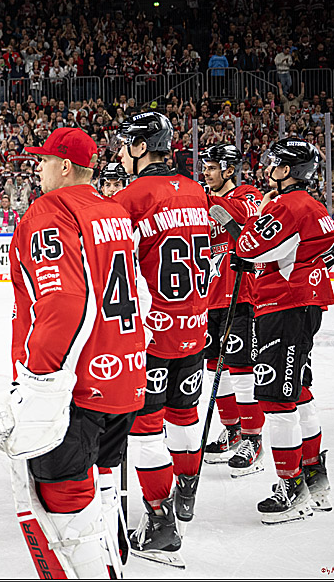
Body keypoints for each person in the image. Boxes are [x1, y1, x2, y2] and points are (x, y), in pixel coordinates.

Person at [0, 127, 147, 579]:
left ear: (66, 166)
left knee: (62, 506)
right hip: (124, 376)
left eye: (43, 161)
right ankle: (112, 559)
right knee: (101, 487)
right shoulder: (112, 210)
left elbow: (63, 302)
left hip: (73, 387)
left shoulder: (50, 209)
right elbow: (142, 295)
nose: (37, 168)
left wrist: (37, 384)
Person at [110, 111, 211, 567]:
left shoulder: (132, 197)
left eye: (126, 143)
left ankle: (160, 520)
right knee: (184, 416)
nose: (121, 151)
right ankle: (184, 496)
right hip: (195, 327)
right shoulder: (196, 190)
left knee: (146, 428)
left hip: (151, 335)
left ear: (139, 146)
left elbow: (119, 271)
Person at [234, 138, 334, 524]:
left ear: (289, 170)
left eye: (276, 163)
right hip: (306, 304)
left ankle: (292, 487)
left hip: (283, 307)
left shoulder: (285, 205)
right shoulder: (314, 206)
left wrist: (258, 213)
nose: (270, 167)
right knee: (298, 391)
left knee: (276, 399)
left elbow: (248, 248)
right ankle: (315, 481)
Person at [198, 144, 265, 476]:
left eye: (211, 167)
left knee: (241, 369)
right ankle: (233, 428)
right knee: (216, 369)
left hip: (239, 296)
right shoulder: (207, 200)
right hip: (209, 297)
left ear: (228, 170)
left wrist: (198, 198)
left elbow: (242, 215)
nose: (205, 173)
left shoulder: (248, 194)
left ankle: (254, 438)